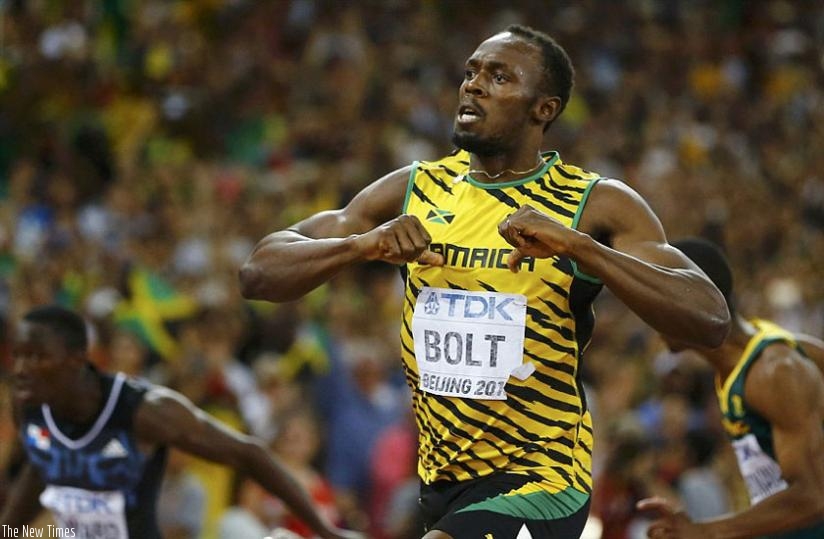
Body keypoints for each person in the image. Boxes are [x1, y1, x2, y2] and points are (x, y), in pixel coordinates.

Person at [239, 24, 729, 539]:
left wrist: (581, 247)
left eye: (499, 77)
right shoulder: (414, 189)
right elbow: (259, 273)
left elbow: (710, 317)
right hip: (441, 481)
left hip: (542, 480)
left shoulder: (596, 203)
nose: (473, 85)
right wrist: (361, 246)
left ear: (544, 108)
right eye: (471, 72)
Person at [0, 305, 362, 539]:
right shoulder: (29, 404)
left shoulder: (146, 410)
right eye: (18, 357)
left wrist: (325, 531)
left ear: (78, 360)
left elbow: (247, 453)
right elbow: (40, 466)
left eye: (37, 357)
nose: (21, 370)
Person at [637, 237, 824, 539]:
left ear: (694, 300)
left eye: (657, 297)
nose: (647, 312)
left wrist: (706, 531)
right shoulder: (741, 364)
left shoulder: (775, 371)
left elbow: (814, 496)